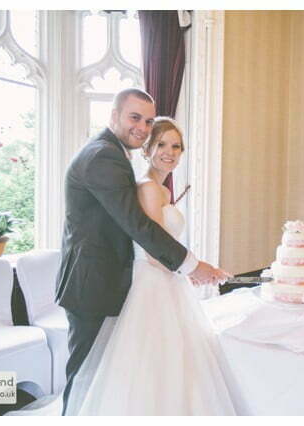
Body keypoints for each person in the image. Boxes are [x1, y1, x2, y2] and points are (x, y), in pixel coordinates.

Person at [56, 88, 233, 414]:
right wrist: (192, 265)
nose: (142, 126)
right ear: (114, 116)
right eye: (134, 117)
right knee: (85, 377)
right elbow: (138, 226)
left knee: (104, 376)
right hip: (91, 282)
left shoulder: (113, 153)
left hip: (112, 279)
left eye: (148, 120)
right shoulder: (103, 156)